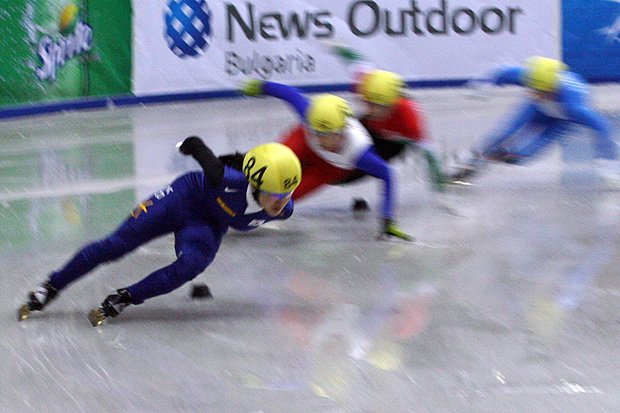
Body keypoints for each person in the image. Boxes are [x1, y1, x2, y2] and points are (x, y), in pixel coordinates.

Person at [18, 137, 302, 326]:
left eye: (288, 193)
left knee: (191, 265)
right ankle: (51, 287)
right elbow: (203, 153)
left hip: (207, 224)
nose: (281, 202)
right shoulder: (224, 180)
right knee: (116, 245)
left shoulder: (282, 209)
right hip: (181, 199)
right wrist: (188, 145)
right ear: (254, 185)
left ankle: (125, 297)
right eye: (276, 194)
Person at [240, 79, 412, 241]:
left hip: (328, 168)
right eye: (319, 133)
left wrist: (388, 219)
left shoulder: (359, 150)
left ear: (344, 130)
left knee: (285, 196)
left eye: (330, 135)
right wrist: (261, 86)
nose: (323, 141)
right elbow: (289, 93)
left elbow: (387, 175)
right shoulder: (309, 113)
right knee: (270, 165)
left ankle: (249, 215)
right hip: (304, 141)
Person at [448, 56, 618, 185]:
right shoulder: (533, 78)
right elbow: (503, 72)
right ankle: (474, 156)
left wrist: (608, 163)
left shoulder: (575, 108)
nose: (533, 94)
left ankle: (500, 156)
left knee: (525, 155)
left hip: (563, 120)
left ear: (553, 89)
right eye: (531, 89)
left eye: (539, 92)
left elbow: (603, 127)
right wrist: (482, 86)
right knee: (505, 132)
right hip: (537, 108)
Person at [325, 43, 447, 192]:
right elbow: (356, 60)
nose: (374, 110)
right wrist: (332, 44)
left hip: (392, 143)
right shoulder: (365, 82)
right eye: (369, 103)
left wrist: (440, 186)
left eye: (380, 106)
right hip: (368, 125)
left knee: (356, 169)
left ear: (393, 104)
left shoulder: (410, 121)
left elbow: (429, 152)